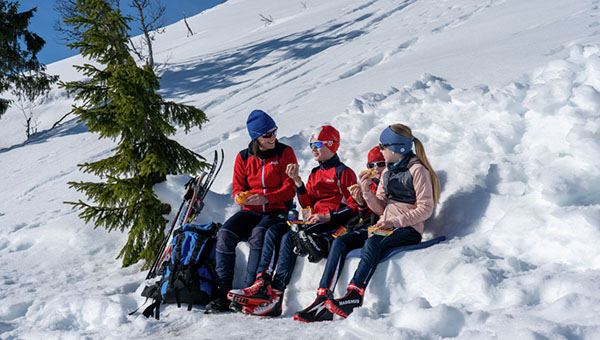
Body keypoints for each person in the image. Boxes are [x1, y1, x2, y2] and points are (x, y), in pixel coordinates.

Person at [227, 125, 359, 317]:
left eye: (318, 144)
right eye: (311, 144)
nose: (313, 148)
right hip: (313, 220)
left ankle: (277, 294)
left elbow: (354, 208)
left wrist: (328, 216)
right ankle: (262, 281)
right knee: (273, 231)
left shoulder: (343, 173)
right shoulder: (315, 173)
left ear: (333, 145)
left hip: (331, 222)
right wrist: (298, 182)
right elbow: (307, 205)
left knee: (289, 238)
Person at [323, 123, 440, 319]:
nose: (380, 150)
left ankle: (354, 295)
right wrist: (367, 192)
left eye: (383, 147)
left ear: (396, 148)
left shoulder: (418, 171)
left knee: (373, 240)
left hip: (408, 229)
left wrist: (395, 222)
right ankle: (323, 295)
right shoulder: (387, 172)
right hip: (384, 226)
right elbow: (381, 208)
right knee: (342, 240)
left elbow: (426, 209)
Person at [205, 110, 298, 313]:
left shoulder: (285, 152)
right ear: (256, 137)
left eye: (274, 132)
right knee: (225, 234)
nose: (273, 137)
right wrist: (240, 197)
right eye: (267, 134)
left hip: (278, 210)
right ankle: (223, 293)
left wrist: (267, 198)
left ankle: (247, 292)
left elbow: (290, 188)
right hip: (252, 210)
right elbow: (238, 187)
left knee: (259, 235)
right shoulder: (244, 157)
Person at [294, 146, 386, 322]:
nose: (375, 169)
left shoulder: (386, 181)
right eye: (371, 165)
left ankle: (321, 246)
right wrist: (361, 201)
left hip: (382, 228)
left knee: (343, 238)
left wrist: (360, 203)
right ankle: (322, 297)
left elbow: (384, 211)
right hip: (364, 226)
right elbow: (364, 215)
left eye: (380, 164)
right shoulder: (371, 183)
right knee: (340, 240)